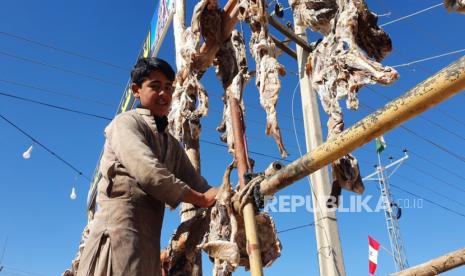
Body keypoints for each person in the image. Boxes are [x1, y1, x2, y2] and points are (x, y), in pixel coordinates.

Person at [76, 57, 218, 276]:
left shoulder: (170, 143)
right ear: (136, 90)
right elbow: (149, 172)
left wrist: (228, 193)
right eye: (155, 86)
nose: (164, 94)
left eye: (168, 88)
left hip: (149, 244)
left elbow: (200, 185)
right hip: (117, 235)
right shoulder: (125, 123)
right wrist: (201, 199)